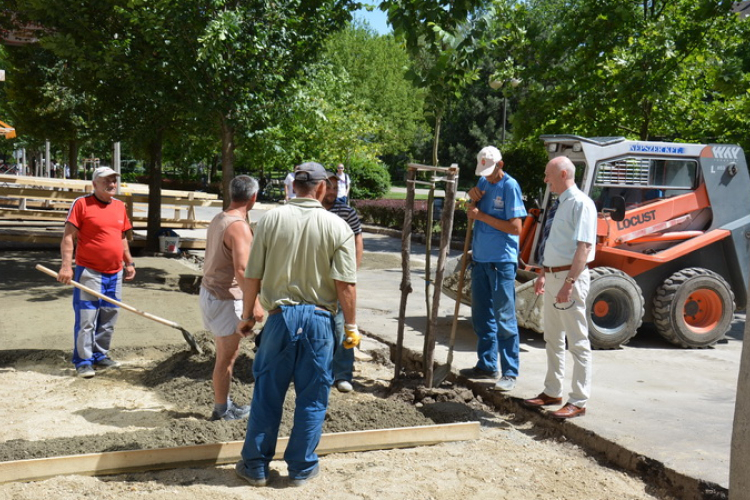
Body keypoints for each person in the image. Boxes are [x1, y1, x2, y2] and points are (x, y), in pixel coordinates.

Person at [234, 162, 358, 487]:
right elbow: (345, 284)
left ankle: (256, 467)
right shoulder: (337, 226)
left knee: (267, 394)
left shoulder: (270, 219)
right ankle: (302, 469)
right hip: (319, 320)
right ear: (320, 188)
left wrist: (248, 315)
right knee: (313, 397)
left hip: (279, 320)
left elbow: (252, 274)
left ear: (293, 187)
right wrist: (352, 327)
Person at [524, 156, 597, 419]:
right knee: (552, 338)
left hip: (569, 279)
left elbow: (584, 247)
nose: (545, 180)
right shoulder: (561, 204)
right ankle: (552, 391)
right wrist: (544, 273)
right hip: (555, 277)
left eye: (548, 175)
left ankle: (578, 400)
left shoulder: (581, 204)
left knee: (577, 341)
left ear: (564, 173)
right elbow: (554, 243)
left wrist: (569, 283)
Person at [459, 146, 527, 392]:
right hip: (481, 258)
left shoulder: (510, 186)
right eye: (483, 172)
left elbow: (516, 228)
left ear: (501, 165)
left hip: (501, 261)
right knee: (481, 315)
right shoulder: (483, 182)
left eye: (490, 171)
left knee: (504, 317)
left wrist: (480, 216)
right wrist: (470, 200)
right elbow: (472, 210)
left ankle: (509, 372)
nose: (486, 176)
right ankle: (487, 364)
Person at [58, 166, 136, 379]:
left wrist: (129, 262)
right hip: (89, 272)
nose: (112, 184)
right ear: (94, 184)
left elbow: (121, 238)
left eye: (113, 181)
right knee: (87, 318)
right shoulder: (82, 204)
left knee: (110, 316)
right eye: (106, 181)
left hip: (115, 273)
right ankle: (83, 361)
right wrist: (66, 266)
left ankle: (100, 355)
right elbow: (68, 237)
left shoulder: (120, 207)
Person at [200, 175, 264, 421]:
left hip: (212, 294)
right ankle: (222, 410)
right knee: (226, 358)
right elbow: (243, 270)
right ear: (253, 197)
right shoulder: (238, 226)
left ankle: (224, 403)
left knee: (226, 355)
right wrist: (255, 305)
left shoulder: (219, 218)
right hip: (225, 298)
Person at [323, 171, 364, 393]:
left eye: (335, 188)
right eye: (328, 187)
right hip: (317, 280)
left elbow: (358, 240)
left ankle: (343, 373)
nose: (331, 192)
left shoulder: (346, 212)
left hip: (339, 277)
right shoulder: (313, 210)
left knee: (342, 325)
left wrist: (352, 271)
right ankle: (320, 370)